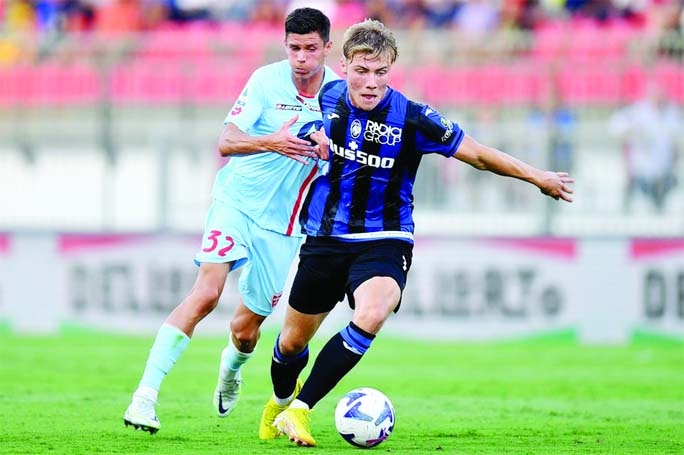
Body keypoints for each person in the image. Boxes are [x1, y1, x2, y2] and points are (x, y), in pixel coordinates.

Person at [259, 18, 574, 447]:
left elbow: (478, 155)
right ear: (345, 66)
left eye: (381, 73)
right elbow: (301, 130)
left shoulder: (414, 116)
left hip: (386, 237)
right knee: (292, 344)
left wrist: (538, 176)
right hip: (325, 238)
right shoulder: (327, 97)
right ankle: (280, 402)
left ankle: (301, 409)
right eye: (362, 71)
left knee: (373, 310)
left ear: (392, 70)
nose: (371, 83)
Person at [123, 7, 339, 435]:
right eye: (294, 48)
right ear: (285, 46)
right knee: (205, 294)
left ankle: (231, 368)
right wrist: (270, 141)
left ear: (327, 48)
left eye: (310, 49)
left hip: (284, 227)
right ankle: (144, 398)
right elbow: (226, 141)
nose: (301, 58)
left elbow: (353, 157)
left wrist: (331, 152)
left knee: (246, 331)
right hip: (236, 203)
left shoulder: (341, 94)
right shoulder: (265, 80)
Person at [609, 80, 681, 214]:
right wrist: (632, 131)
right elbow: (615, 126)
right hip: (642, 171)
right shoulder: (638, 111)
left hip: (664, 172)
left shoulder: (672, 113)